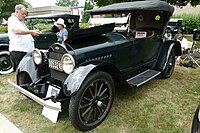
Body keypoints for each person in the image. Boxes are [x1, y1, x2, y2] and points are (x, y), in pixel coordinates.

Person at [8, 4, 40, 71]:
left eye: (25, 14)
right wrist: (31, 32)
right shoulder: (12, 19)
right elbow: (17, 31)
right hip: (18, 51)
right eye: (23, 14)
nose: (24, 16)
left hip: (26, 51)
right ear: (17, 12)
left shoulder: (20, 21)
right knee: (21, 72)